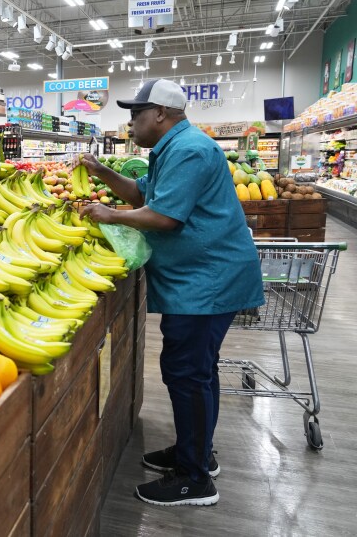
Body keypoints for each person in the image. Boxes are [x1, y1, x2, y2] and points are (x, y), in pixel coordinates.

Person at [78, 78, 264, 507]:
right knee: (197, 370)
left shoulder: (190, 150)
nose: (130, 122)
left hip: (207, 281)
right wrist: (103, 173)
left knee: (187, 373)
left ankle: (195, 479)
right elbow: (145, 194)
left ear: (160, 114)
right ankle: (194, 453)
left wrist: (110, 216)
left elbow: (165, 217)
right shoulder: (172, 149)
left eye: (136, 114)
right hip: (199, 278)